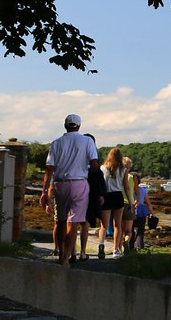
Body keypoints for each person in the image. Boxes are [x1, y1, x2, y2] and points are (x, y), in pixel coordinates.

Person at [39, 114, 99, 267]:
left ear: (65, 126)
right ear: (79, 126)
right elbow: (94, 164)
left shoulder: (56, 143)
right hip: (79, 182)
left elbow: (49, 169)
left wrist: (44, 191)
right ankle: (66, 257)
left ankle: (60, 255)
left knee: (60, 221)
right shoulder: (87, 141)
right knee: (73, 222)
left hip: (60, 183)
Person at [98, 147, 131, 258]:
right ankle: (116, 249)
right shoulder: (123, 170)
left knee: (104, 225)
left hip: (106, 196)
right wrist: (130, 201)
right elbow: (126, 187)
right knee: (117, 225)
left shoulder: (103, 168)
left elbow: (101, 184)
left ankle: (101, 245)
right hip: (117, 196)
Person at [129, 173, 154, 251]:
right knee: (140, 231)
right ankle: (139, 246)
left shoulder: (127, 190)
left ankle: (130, 247)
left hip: (130, 210)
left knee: (129, 230)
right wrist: (152, 213)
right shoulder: (143, 190)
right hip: (141, 211)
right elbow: (148, 203)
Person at [120, 157, 136, 252]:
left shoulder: (117, 176)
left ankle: (118, 248)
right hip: (129, 203)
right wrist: (132, 203)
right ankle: (126, 241)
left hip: (118, 202)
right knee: (129, 230)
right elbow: (130, 190)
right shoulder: (130, 177)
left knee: (119, 228)